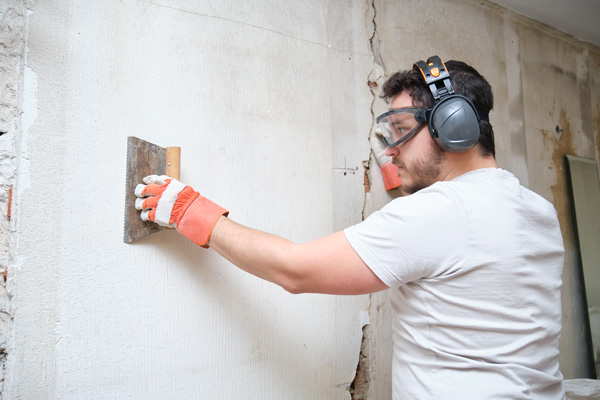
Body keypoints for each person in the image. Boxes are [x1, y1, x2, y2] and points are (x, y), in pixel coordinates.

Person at [134, 56, 565, 399]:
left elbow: (295, 270)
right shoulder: (536, 210)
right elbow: (455, 251)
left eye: (399, 131)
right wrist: (407, 177)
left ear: (452, 125)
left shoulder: (440, 214)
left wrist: (193, 212)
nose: (391, 149)